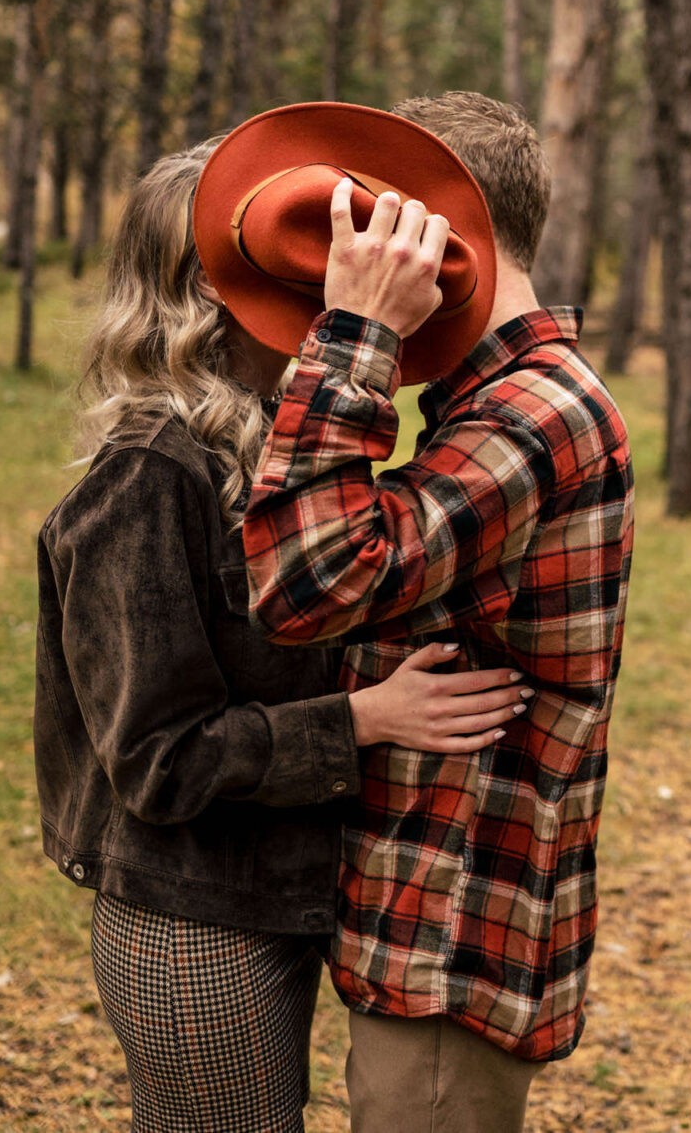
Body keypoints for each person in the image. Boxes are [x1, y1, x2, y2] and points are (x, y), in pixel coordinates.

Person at [32, 139, 532, 1132]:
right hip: (191, 921)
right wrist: (364, 719)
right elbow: (158, 760)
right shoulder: (146, 479)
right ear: (208, 297)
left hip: (272, 899)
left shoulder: (269, 453)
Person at [219, 93, 635, 1132]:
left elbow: (307, 582)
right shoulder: (490, 399)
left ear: (438, 235)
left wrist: (357, 331)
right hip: (428, 906)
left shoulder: (536, 412)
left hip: (457, 932)